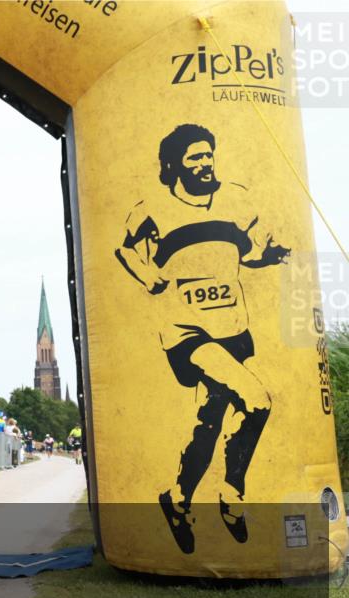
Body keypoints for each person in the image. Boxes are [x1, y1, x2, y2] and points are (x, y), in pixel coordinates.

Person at [115, 124, 288, 554]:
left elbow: (247, 254)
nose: (205, 162)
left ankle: (176, 500)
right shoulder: (152, 208)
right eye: (194, 157)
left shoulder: (236, 199)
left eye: (208, 154)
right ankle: (232, 495)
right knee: (258, 399)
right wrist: (148, 274)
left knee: (208, 424)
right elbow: (126, 249)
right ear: (173, 164)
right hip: (186, 332)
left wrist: (268, 256)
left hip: (234, 327)